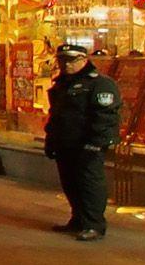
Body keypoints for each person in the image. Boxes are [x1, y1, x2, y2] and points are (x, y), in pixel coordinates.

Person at [43, 43, 121, 242]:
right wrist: (51, 140)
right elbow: (56, 115)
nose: (66, 65)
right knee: (70, 184)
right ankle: (78, 219)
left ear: (83, 60)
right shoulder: (61, 84)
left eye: (70, 60)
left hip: (87, 144)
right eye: (62, 60)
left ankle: (94, 224)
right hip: (65, 143)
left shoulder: (100, 83)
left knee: (89, 184)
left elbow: (105, 116)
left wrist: (96, 143)